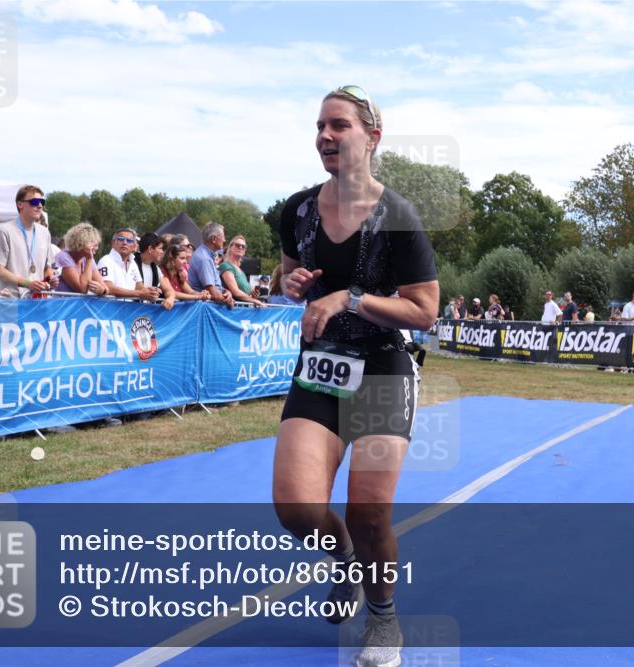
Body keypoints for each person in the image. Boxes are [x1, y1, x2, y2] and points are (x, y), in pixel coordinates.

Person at [273, 85, 439, 667]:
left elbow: (423, 312)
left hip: (382, 369)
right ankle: (341, 554)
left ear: (373, 136)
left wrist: (350, 297)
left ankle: (383, 617)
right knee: (296, 510)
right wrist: (289, 284)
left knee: (370, 510)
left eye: (338, 125)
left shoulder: (399, 217)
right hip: (320, 370)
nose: (325, 135)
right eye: (319, 125)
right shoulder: (295, 209)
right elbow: (290, 273)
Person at [0, 185, 58, 296]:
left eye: (42, 202)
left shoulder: (44, 233)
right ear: (20, 204)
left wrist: (51, 279)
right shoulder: (5, 230)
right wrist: (27, 283)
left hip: (38, 300)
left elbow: (47, 268)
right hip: (13, 302)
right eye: (34, 202)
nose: (39, 206)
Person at [97, 228, 165, 305]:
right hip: (108, 311)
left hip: (128, 312)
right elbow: (108, 288)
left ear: (134, 245)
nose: (125, 242)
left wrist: (150, 291)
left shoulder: (133, 263)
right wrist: (139, 293)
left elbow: (140, 287)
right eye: (120, 239)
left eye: (129, 241)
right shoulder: (106, 260)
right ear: (113, 242)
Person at [187, 222, 234, 308]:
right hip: (203, 309)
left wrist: (227, 292)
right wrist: (229, 300)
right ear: (214, 239)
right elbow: (214, 294)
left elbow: (216, 287)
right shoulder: (204, 258)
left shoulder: (207, 256)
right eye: (223, 236)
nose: (224, 240)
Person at [54, 223, 108, 296]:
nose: (96, 247)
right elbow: (82, 289)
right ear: (79, 242)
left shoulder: (87, 258)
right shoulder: (63, 257)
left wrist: (102, 291)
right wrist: (89, 259)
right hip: (61, 305)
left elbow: (106, 287)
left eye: (96, 243)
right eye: (92, 242)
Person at [220, 235, 264, 306]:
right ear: (230, 247)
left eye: (243, 247)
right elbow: (236, 292)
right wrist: (254, 300)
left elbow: (245, 293)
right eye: (237, 245)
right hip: (232, 310)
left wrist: (253, 294)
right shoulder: (226, 266)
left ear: (244, 251)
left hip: (243, 310)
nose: (240, 247)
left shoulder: (241, 271)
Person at [135, 232, 177, 306]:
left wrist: (170, 298)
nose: (162, 252)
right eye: (160, 248)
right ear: (150, 249)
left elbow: (169, 290)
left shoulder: (155, 268)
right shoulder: (132, 264)